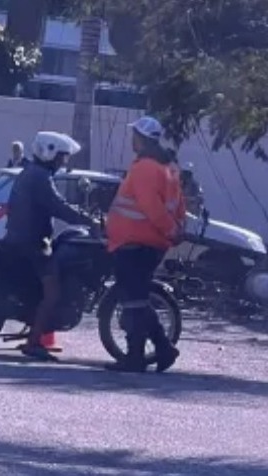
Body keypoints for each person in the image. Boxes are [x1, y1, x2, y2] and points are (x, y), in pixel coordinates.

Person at [4, 131, 97, 362]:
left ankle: (34, 326)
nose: (64, 162)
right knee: (53, 291)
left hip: (24, 238)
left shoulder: (33, 172)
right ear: (50, 153)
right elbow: (59, 206)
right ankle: (34, 341)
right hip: (31, 243)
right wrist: (89, 220)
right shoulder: (40, 178)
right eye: (62, 157)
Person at [105, 116, 185, 373]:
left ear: (140, 139)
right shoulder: (168, 167)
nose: (132, 140)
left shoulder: (144, 168)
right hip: (149, 243)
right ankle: (160, 349)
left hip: (135, 242)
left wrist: (170, 228)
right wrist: (175, 230)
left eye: (134, 136)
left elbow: (152, 207)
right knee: (136, 297)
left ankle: (139, 355)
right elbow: (179, 205)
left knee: (133, 299)